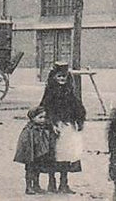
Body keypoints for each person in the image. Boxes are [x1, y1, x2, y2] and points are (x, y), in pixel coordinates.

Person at [39, 62, 87, 193]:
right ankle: (51, 182)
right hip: (54, 128)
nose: (61, 79)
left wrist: (79, 120)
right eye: (59, 76)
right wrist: (51, 123)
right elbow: (45, 109)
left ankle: (64, 183)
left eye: (64, 77)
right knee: (52, 155)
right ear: (54, 77)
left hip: (67, 126)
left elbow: (77, 107)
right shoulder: (50, 92)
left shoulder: (69, 92)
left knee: (66, 154)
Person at [14, 105, 57, 195]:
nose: (43, 120)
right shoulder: (30, 129)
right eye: (40, 117)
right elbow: (25, 142)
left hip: (39, 154)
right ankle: (29, 186)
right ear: (32, 118)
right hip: (31, 154)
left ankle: (36, 185)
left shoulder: (44, 128)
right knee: (30, 169)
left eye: (44, 117)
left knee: (37, 169)